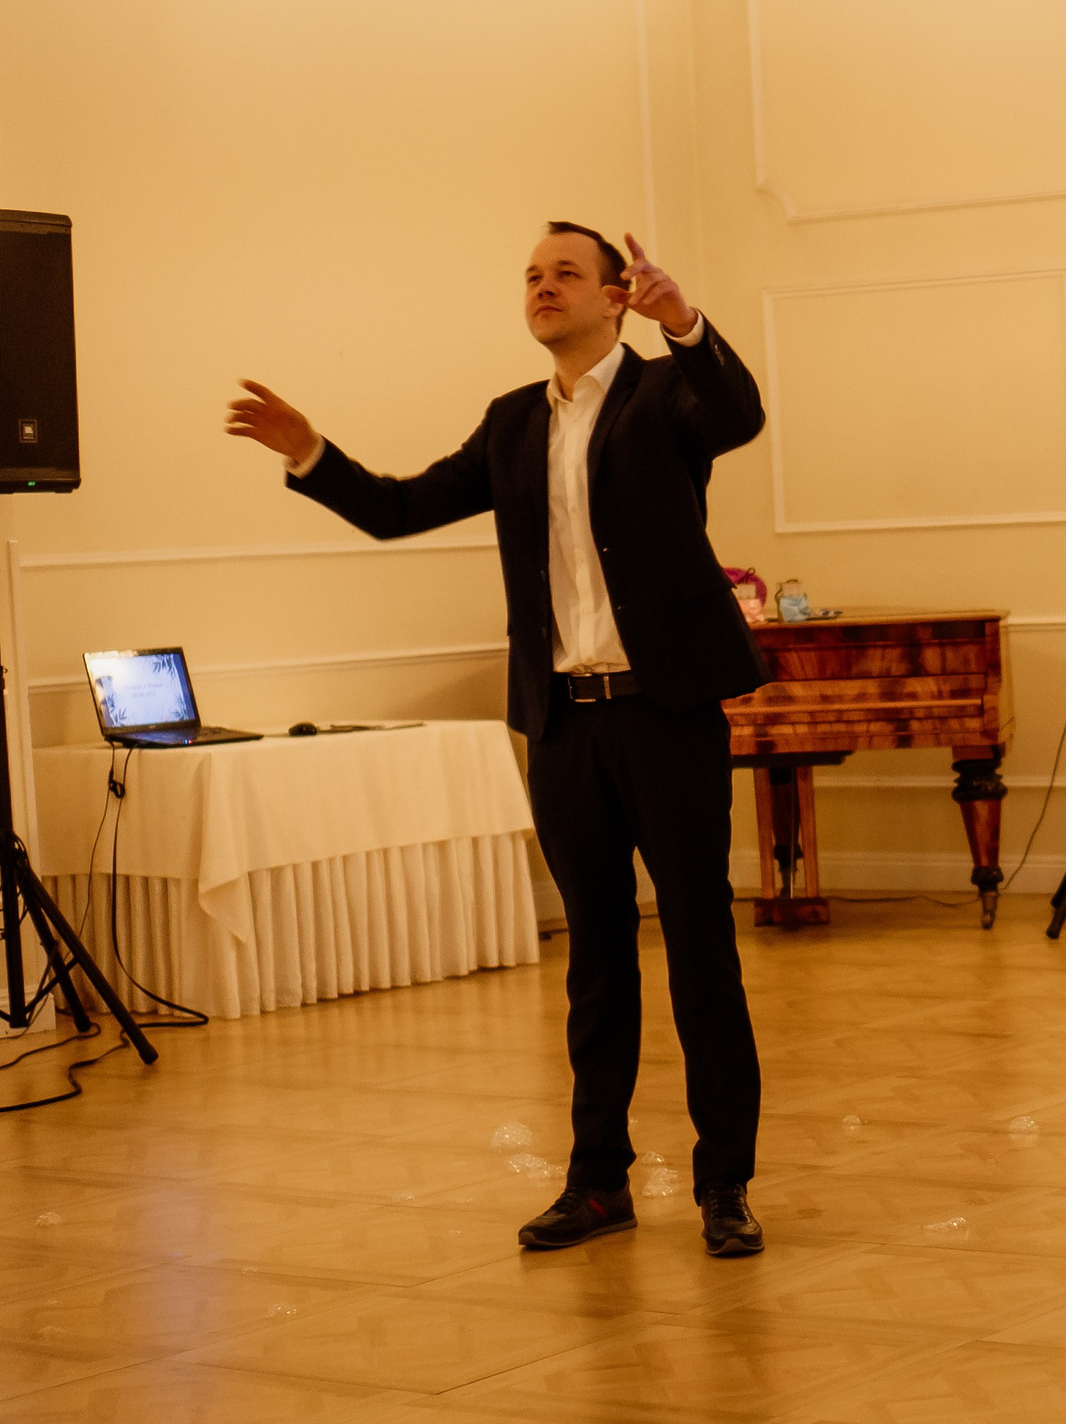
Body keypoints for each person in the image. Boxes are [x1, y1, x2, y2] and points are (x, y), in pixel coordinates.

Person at [224, 222, 770, 1258]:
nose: (542, 286)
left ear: (615, 296)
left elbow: (739, 414)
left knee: (701, 950)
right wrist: (308, 451)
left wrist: (686, 323)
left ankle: (724, 1185)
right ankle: (597, 1183)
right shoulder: (513, 420)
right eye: (530, 275)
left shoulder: (666, 394)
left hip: (665, 714)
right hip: (564, 725)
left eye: (565, 272)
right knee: (596, 961)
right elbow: (399, 509)